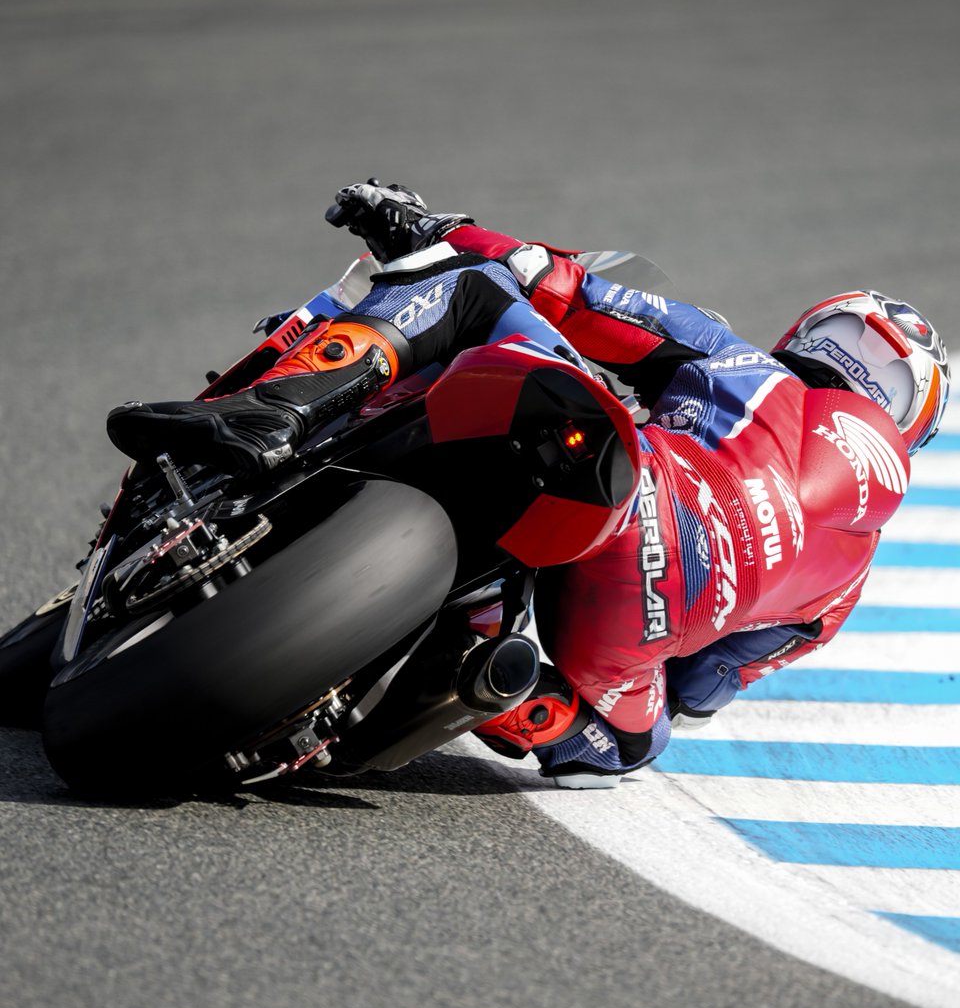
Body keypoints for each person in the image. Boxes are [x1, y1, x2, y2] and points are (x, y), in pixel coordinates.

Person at [107, 180, 951, 788]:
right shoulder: (846, 584)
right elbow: (702, 691)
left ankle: (278, 412)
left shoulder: (750, 368)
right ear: (911, 428)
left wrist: (439, 228)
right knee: (634, 746)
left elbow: (560, 283)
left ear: (809, 333)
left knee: (469, 290)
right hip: (629, 638)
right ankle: (504, 689)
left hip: (633, 495)